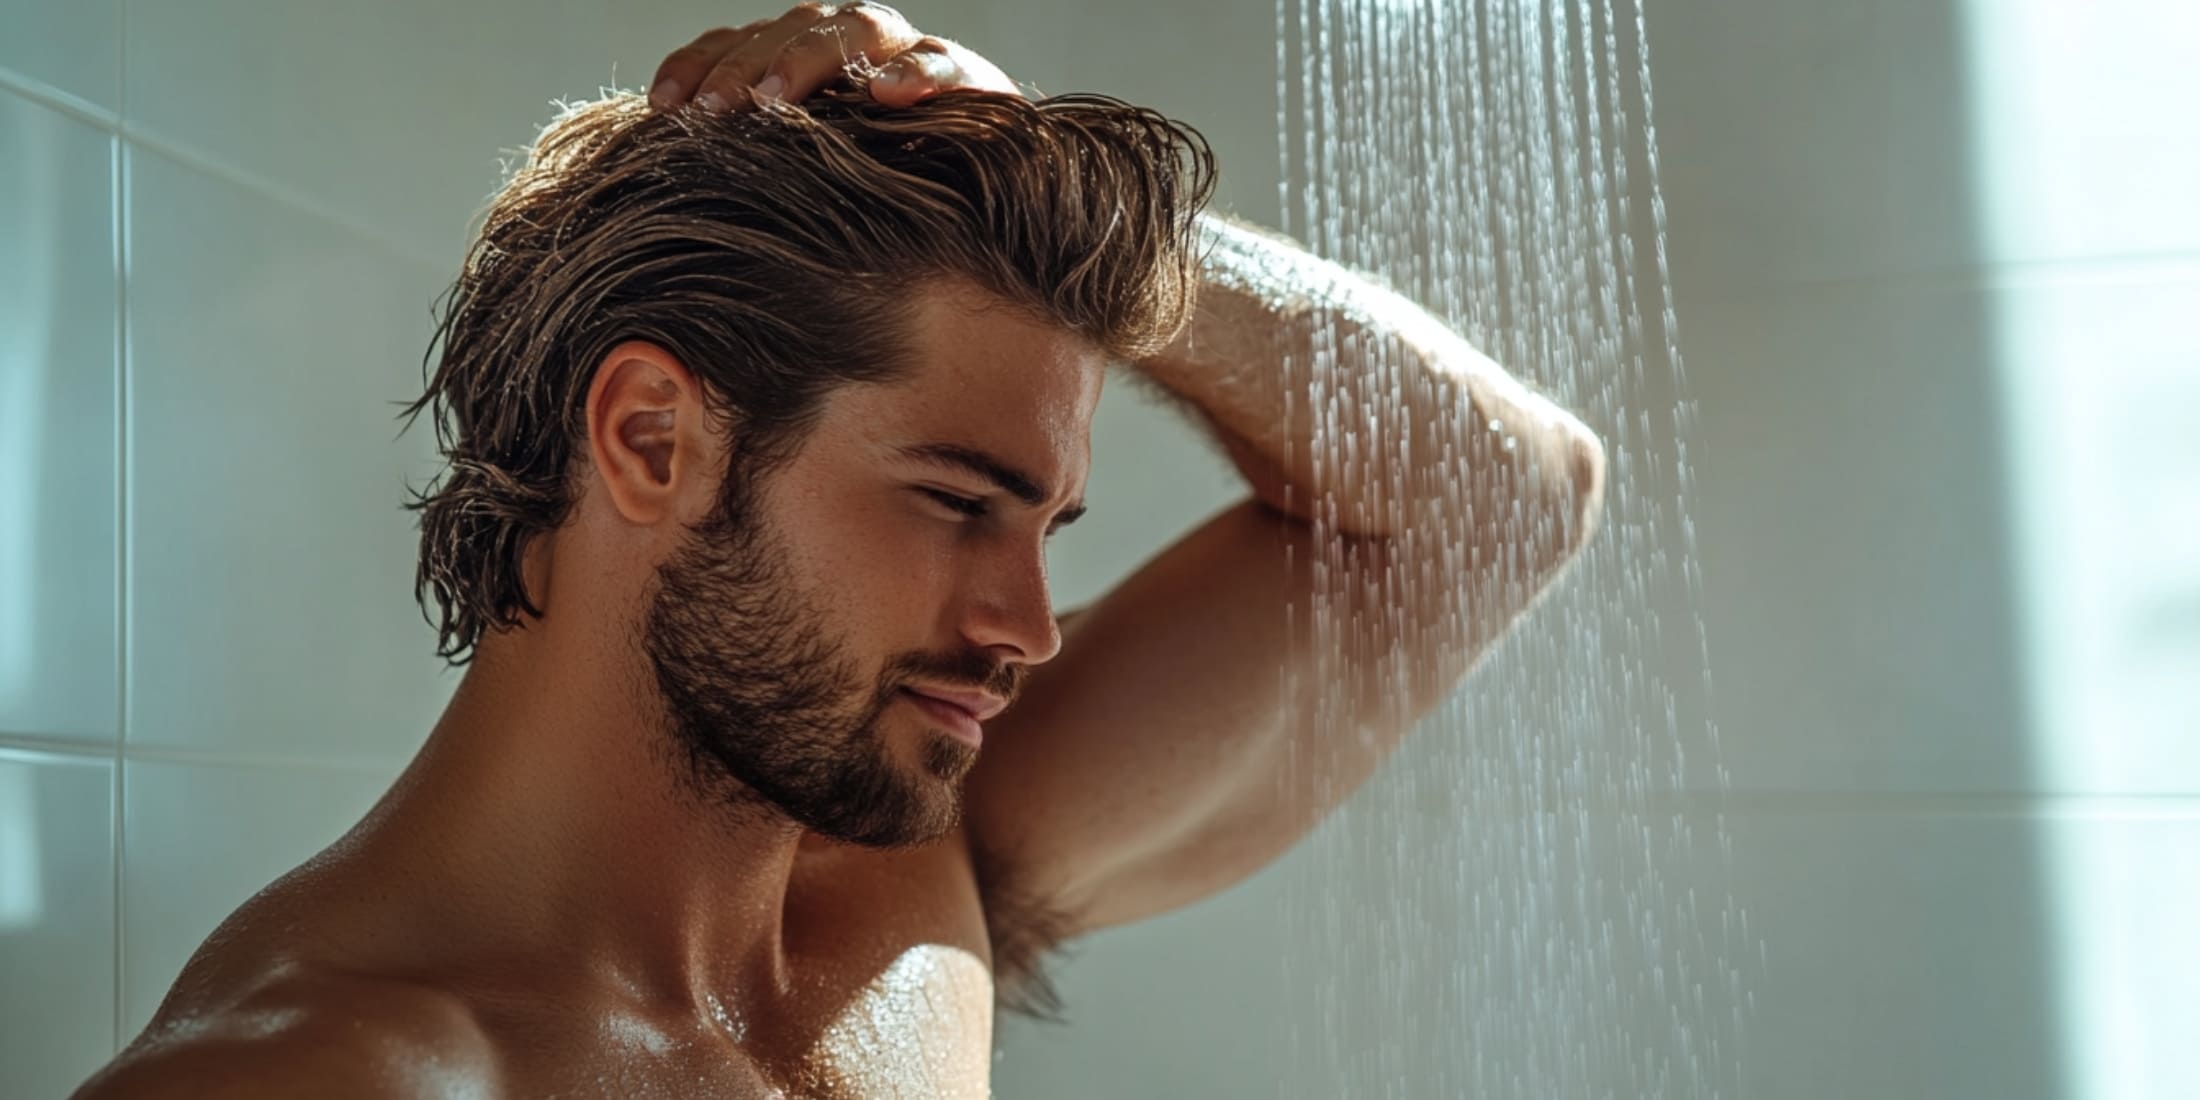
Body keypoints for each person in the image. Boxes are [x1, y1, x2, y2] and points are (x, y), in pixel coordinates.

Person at [73, 3, 1605, 1096]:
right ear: (652, 440)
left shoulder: (900, 890)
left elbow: (1510, 499)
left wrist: (1071, 207)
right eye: (955, 500)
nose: (1029, 624)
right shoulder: (327, 1076)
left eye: (1046, 525)